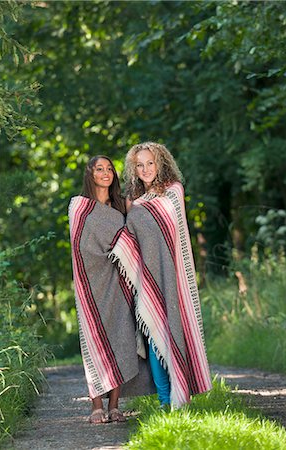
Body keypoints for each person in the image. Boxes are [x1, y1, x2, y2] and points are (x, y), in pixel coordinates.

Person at [109, 142, 212, 408]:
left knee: (171, 333)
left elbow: (173, 234)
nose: (145, 169)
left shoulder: (173, 192)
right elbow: (130, 238)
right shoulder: (133, 201)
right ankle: (166, 402)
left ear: (161, 163)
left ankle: (180, 397)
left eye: (150, 163)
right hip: (145, 279)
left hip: (171, 276)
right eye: (139, 165)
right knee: (153, 337)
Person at [69, 155, 153, 424]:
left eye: (109, 169)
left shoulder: (120, 207)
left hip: (120, 283)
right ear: (90, 174)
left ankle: (115, 405)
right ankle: (96, 406)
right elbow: (79, 248)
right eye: (99, 169)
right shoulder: (79, 207)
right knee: (93, 340)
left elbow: (131, 241)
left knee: (121, 338)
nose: (105, 173)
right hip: (92, 283)